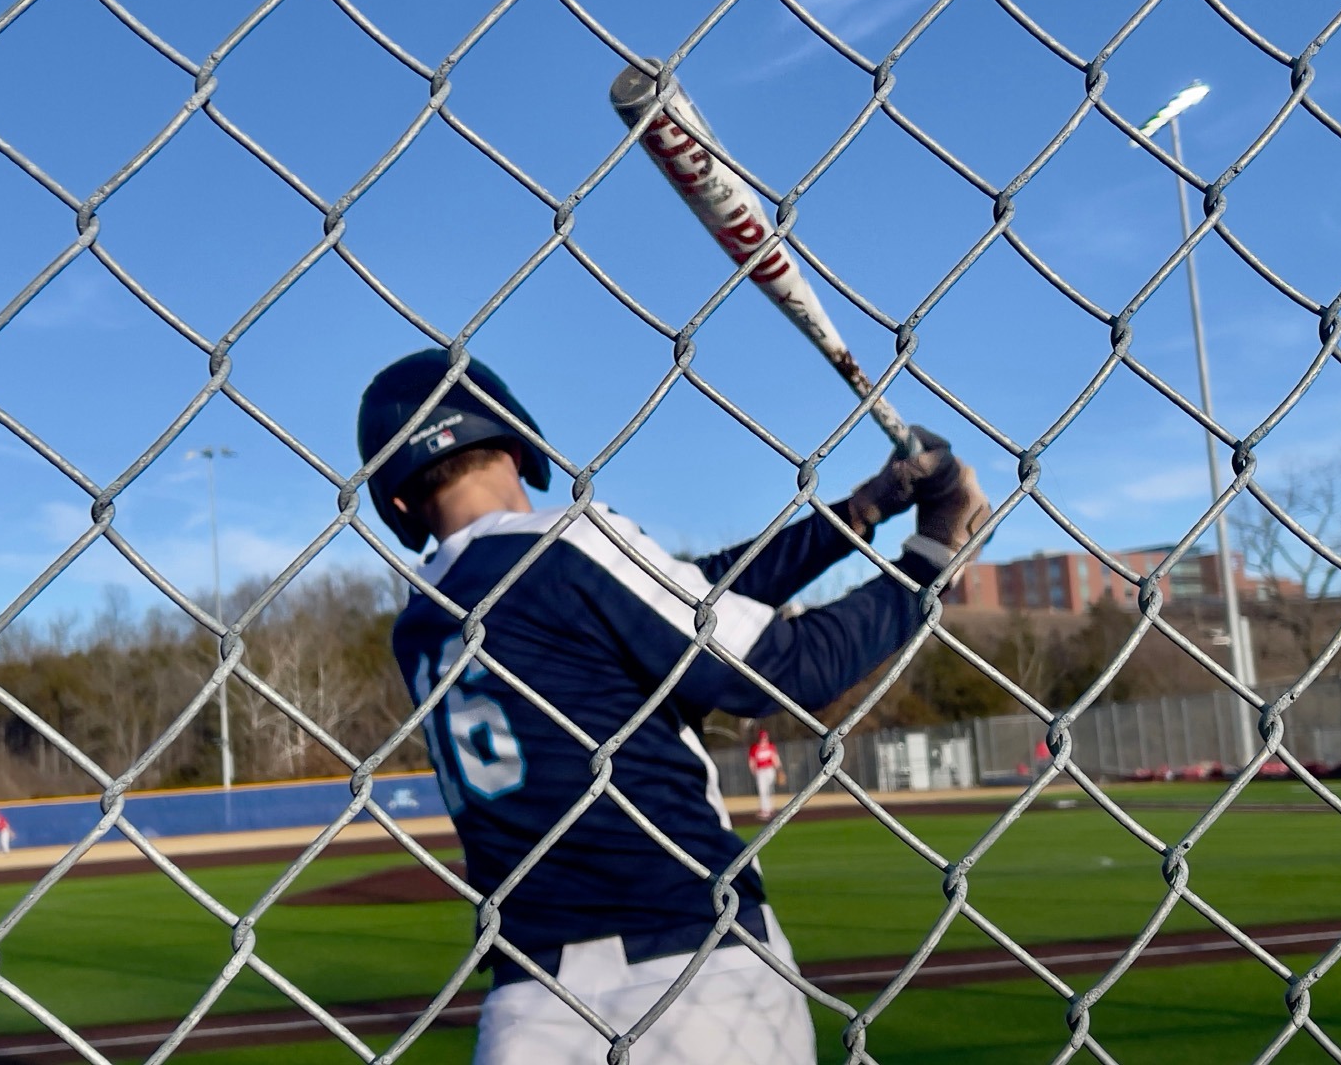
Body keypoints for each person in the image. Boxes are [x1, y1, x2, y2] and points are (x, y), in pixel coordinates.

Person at [358, 350, 990, 1064]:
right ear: (517, 442)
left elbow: (687, 591)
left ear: (397, 503)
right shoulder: (567, 545)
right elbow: (785, 669)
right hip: (699, 973)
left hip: (529, 1005)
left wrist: (857, 513)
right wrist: (932, 559)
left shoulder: (421, 622)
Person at [748, 730, 785, 821]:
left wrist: (779, 769)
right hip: (760, 770)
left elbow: (775, 758)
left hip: (770, 769)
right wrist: (753, 770)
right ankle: (764, 810)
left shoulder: (771, 746)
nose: (764, 739)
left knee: (770, 790)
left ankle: (770, 809)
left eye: (765, 737)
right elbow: (752, 760)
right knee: (762, 790)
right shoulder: (755, 747)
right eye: (762, 737)